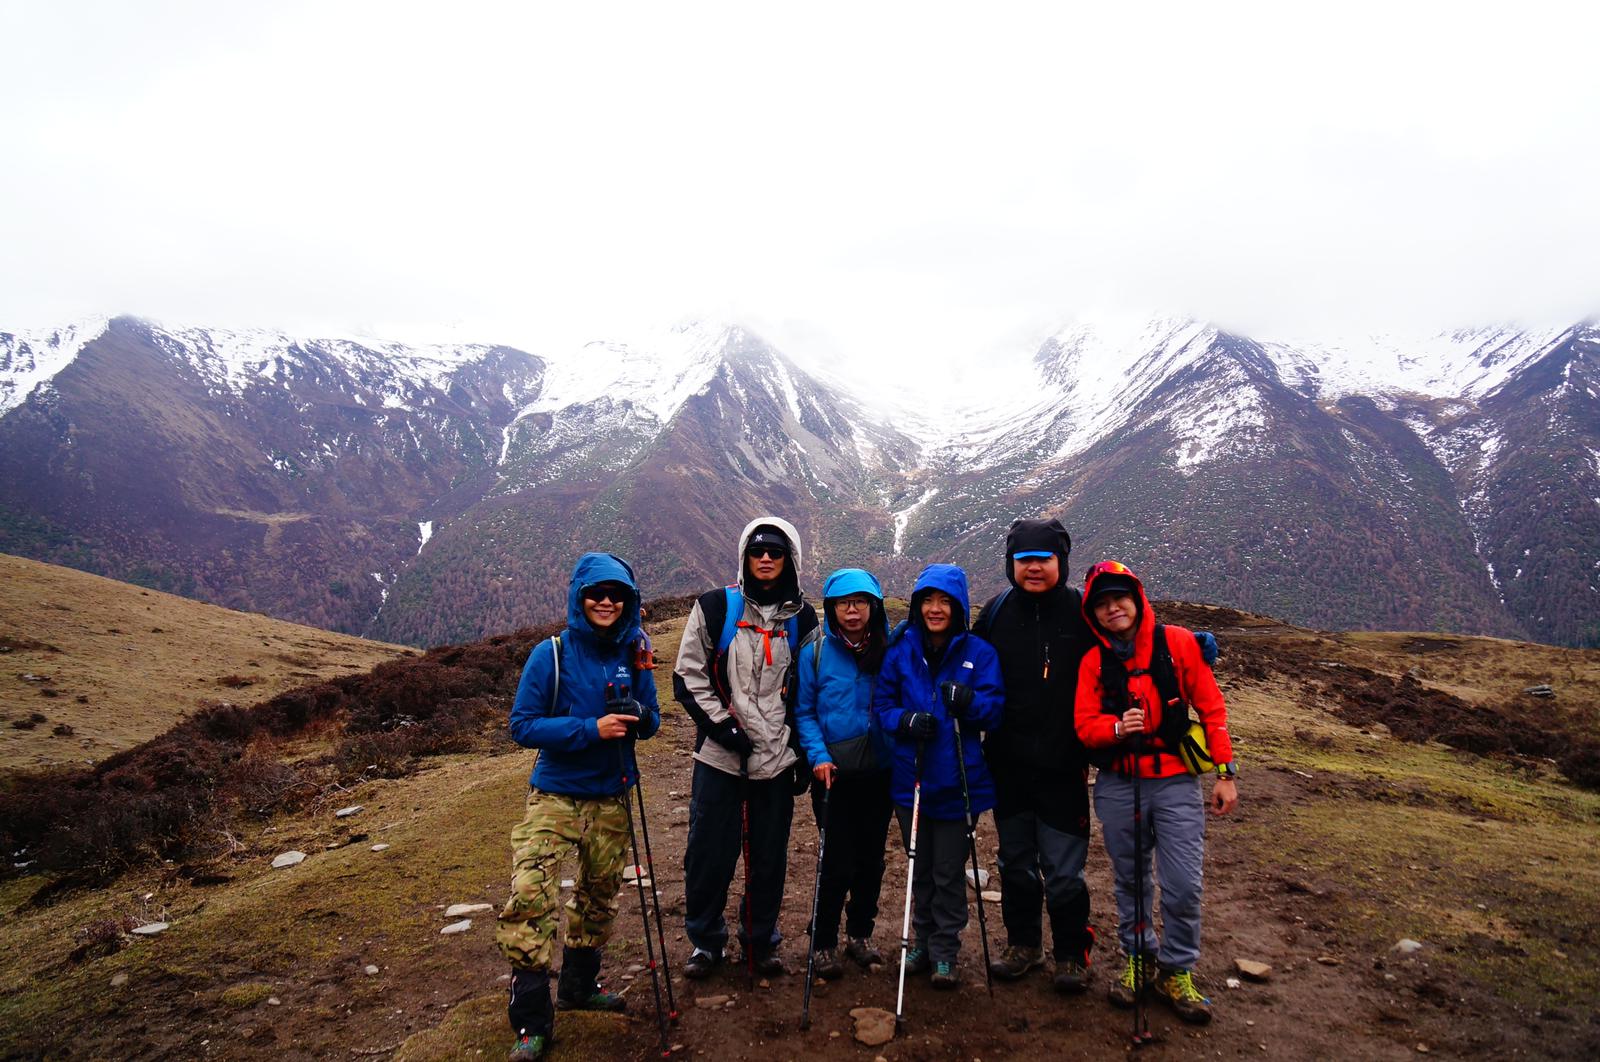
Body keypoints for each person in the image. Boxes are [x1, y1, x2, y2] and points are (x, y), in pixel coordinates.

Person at [496, 553, 662, 1062]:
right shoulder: (551, 654)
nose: (606, 601)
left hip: (612, 793)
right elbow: (522, 725)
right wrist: (591, 729)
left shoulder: (637, 649)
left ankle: (578, 987)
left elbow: (652, 718)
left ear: (629, 601)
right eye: (596, 593)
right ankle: (530, 1022)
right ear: (579, 598)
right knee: (531, 893)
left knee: (599, 893)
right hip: (557, 794)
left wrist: (638, 715)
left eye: (617, 594)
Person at [1074, 560, 1238, 1025]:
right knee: (1132, 882)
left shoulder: (1178, 644)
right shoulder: (1093, 661)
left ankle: (1178, 969)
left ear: (1136, 598)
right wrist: (1115, 728)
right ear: (1093, 612)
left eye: (1118, 599)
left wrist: (1225, 773)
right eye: (1101, 603)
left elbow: (1211, 706)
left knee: (1184, 885)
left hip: (1175, 785)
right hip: (1118, 785)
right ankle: (1139, 959)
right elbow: (1084, 725)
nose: (1112, 609)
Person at [673, 516, 817, 978]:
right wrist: (721, 728)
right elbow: (688, 675)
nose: (767, 558)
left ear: (790, 559)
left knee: (769, 856)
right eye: (758, 552)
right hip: (720, 757)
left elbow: (807, 688)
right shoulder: (716, 607)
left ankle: (760, 940)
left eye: (776, 552)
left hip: (776, 758)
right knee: (709, 852)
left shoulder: (804, 619)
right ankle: (706, 942)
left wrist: (800, 751)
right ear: (745, 557)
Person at [972, 517, 1100, 991]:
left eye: (1043, 560)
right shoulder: (997, 613)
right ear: (1011, 564)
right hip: (1008, 764)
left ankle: (1072, 954)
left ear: (1060, 562)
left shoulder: (1083, 612)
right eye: (1023, 560)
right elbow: (966, 663)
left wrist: (1188, 647)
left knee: (1065, 871)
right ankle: (1024, 945)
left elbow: (1132, 640)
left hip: (1065, 766)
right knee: (1015, 863)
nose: (1033, 569)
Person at [872, 563, 1004, 989]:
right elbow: (881, 709)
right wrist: (905, 721)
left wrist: (968, 701)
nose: (935, 609)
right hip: (910, 782)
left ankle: (945, 950)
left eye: (944, 601)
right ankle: (921, 943)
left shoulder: (979, 654)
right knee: (919, 868)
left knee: (948, 872)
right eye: (928, 600)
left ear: (959, 607)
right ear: (916, 606)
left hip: (958, 783)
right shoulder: (900, 650)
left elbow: (995, 710)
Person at [793, 567, 895, 978]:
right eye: (843, 603)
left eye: (860, 603)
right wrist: (817, 756)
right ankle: (823, 941)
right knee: (836, 860)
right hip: (832, 774)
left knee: (872, 859)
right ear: (831, 608)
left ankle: (860, 934)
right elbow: (803, 711)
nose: (852, 611)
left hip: (881, 772)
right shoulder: (814, 653)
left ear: (873, 606)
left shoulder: (890, 649)